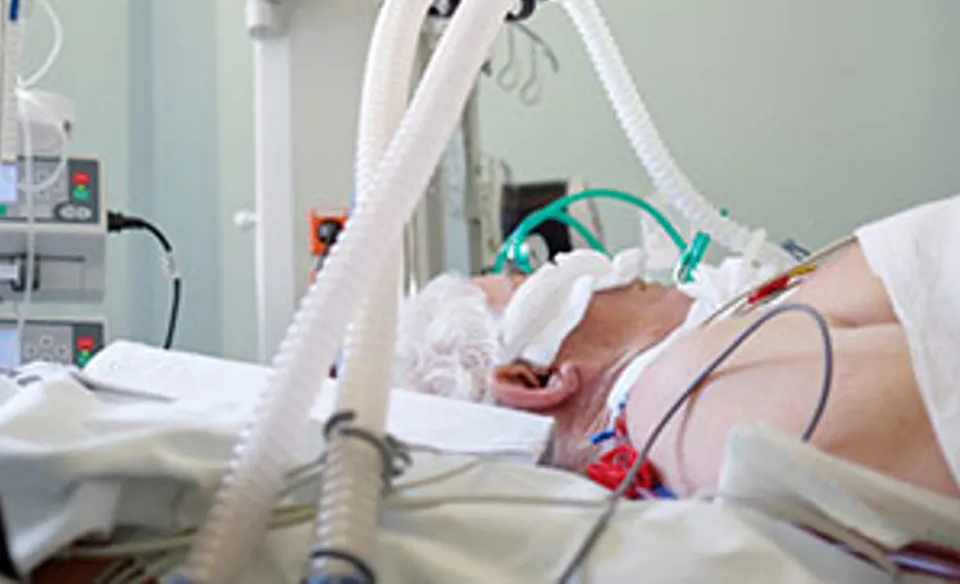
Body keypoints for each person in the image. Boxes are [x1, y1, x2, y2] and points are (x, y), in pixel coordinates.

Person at [396, 195, 960, 501]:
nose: (582, 263)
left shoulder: (711, 365)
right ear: (537, 380)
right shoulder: (682, 405)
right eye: (525, 279)